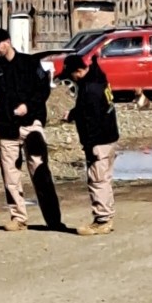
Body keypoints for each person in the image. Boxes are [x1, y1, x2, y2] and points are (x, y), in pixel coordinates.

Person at [0, 27, 64, 231]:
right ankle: (18, 217)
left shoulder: (30, 63)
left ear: (7, 41)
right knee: (10, 176)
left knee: (40, 171)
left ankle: (53, 220)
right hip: (7, 128)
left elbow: (43, 89)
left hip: (31, 124)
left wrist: (29, 106)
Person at [61, 54, 119, 236]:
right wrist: (72, 115)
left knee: (97, 180)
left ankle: (102, 220)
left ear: (78, 71)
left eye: (71, 76)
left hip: (98, 142)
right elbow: (87, 110)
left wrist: (90, 145)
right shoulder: (98, 79)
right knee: (105, 179)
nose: (72, 80)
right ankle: (106, 216)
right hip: (109, 138)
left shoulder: (90, 89)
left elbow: (92, 119)